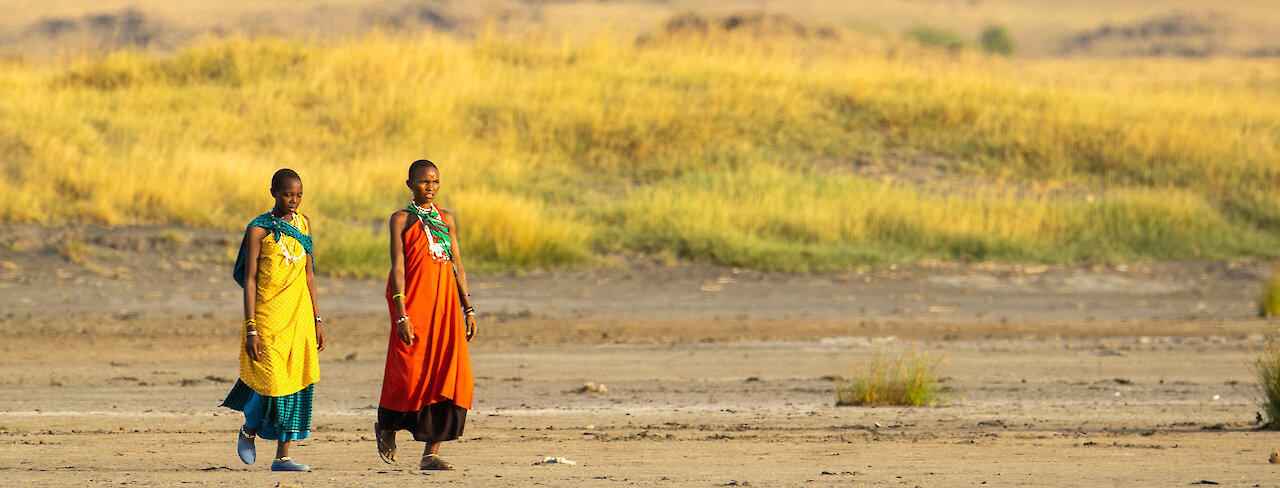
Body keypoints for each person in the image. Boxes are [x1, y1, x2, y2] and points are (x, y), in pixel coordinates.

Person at [221, 168, 326, 472]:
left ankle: (283, 457)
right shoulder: (258, 229)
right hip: (267, 315)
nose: (294, 200)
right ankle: (248, 429)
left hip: (300, 315)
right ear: (274, 193)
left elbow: (309, 274)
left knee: (296, 384)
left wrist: (318, 319)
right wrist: (251, 328)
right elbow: (250, 279)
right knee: (271, 382)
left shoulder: (304, 224)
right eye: (287, 194)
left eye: (299, 195)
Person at [376, 159, 477, 470]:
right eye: (423, 181)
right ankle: (387, 426)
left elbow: (457, 265)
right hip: (414, 305)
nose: (430, 187)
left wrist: (468, 307)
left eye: (434, 182)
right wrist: (401, 314)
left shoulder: (446, 219)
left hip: (445, 309)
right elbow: (398, 268)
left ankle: (430, 454)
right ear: (410, 184)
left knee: (451, 373)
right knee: (408, 371)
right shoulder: (401, 219)